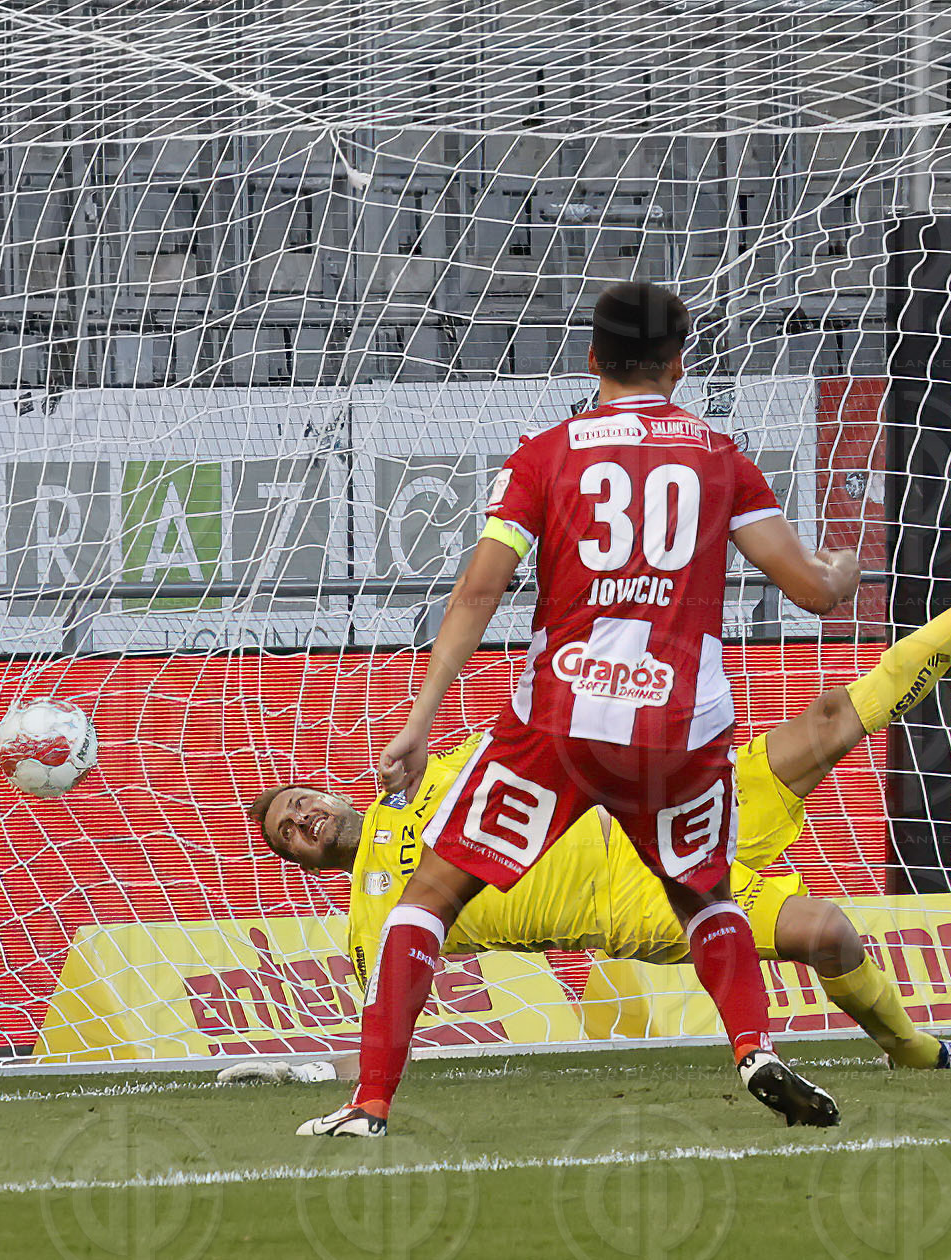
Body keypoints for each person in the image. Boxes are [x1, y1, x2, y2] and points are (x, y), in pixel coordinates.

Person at [300, 281, 871, 1137]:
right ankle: (752, 1046)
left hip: (559, 728)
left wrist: (420, 721)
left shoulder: (547, 454)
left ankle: (369, 1102)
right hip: (679, 728)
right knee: (707, 896)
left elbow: (480, 589)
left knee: (429, 899)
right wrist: (842, 570)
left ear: (592, 359)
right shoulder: (721, 458)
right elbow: (811, 591)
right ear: (679, 364)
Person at [254, 545, 951, 1074]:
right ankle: (918, 1053)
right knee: (829, 932)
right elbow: (381, 1021)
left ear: (324, 791)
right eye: (290, 834)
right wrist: (304, 1067)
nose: (302, 820)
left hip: (670, 802)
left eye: (298, 803)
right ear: (303, 863)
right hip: (635, 899)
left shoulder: (433, 765)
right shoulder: (371, 914)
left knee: (831, 721)